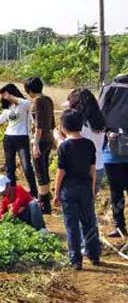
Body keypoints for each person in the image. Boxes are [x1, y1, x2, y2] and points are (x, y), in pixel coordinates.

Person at [53, 109, 101, 270]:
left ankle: (76, 260)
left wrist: (56, 193)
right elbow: (92, 169)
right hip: (86, 187)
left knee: (71, 224)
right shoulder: (89, 144)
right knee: (89, 222)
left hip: (68, 189)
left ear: (63, 127)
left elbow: (61, 172)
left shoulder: (64, 147)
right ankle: (94, 255)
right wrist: (92, 189)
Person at [54, 89, 106, 195]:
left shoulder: (77, 123)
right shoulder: (100, 121)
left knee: (73, 206)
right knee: (88, 205)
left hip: (79, 170)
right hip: (99, 167)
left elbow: (67, 147)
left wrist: (57, 136)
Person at [0, 84, 38, 198]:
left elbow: (26, 103)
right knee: (10, 167)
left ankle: (34, 192)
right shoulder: (8, 108)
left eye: (4, 95)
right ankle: (12, 193)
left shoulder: (24, 104)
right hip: (8, 138)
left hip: (22, 137)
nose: (3, 98)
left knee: (26, 166)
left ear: (10, 93)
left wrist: (10, 97)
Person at [99, 74, 128, 238]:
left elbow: (100, 115)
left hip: (112, 152)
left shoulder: (110, 89)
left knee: (116, 191)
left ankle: (119, 225)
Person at [24, 77, 55, 214]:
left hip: (40, 140)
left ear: (29, 90)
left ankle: (44, 205)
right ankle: (46, 199)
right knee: (44, 170)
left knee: (40, 172)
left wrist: (35, 144)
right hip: (48, 139)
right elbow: (52, 122)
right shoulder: (48, 100)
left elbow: (39, 126)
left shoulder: (37, 102)